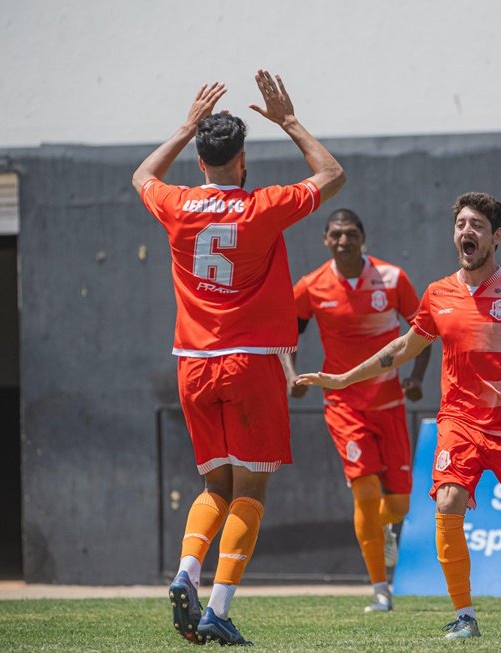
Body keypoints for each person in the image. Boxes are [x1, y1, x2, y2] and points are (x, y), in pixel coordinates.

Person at [296, 192, 501, 640]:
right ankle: (465, 616)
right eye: (461, 225)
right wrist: (341, 379)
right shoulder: (438, 293)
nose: (466, 232)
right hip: (460, 424)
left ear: (497, 237)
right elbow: (399, 350)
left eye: (477, 226)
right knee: (448, 501)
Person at [132, 69, 345, 646]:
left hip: (192, 363)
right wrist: (291, 121)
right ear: (243, 159)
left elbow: (142, 175)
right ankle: (218, 609)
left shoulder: (176, 205)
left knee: (214, 490)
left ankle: (185, 573)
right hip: (251, 362)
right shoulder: (263, 206)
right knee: (250, 493)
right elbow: (331, 173)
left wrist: (183, 125)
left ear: (200, 162)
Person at [280, 209, 431, 613]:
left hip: (390, 403)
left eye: (351, 234)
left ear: (363, 237)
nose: (343, 240)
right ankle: (381, 590)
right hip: (343, 403)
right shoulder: (311, 286)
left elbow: (423, 332)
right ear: (325, 240)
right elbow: (284, 335)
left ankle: (385, 531)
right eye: (336, 234)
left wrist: (415, 378)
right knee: (364, 491)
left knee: (397, 505)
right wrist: (292, 375)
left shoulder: (393, 279)